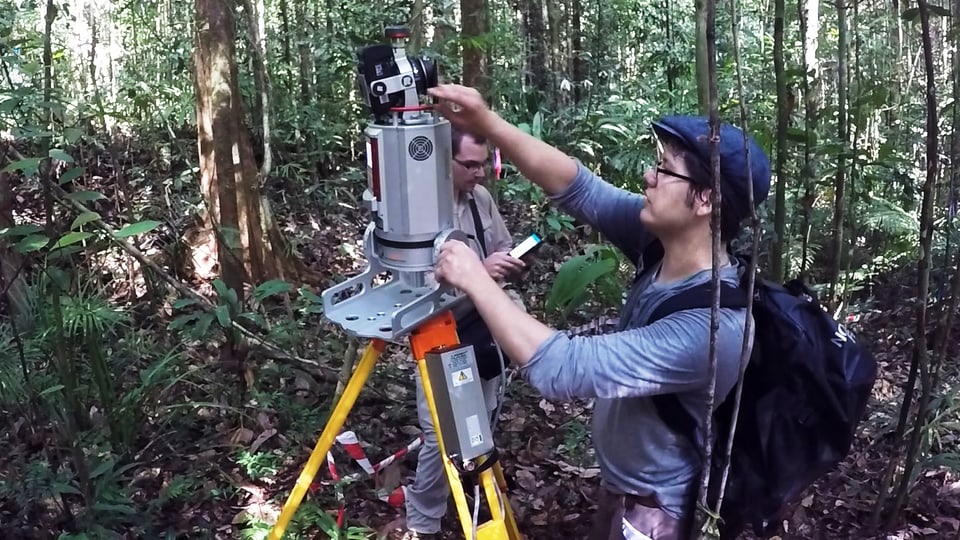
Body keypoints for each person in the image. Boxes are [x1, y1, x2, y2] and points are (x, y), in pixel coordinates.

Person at [428, 84, 771, 540]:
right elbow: (578, 187)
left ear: (705, 200)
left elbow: (562, 368)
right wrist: (485, 121)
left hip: (655, 510)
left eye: (665, 171)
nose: (648, 178)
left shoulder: (714, 328)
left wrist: (475, 277)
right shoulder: (661, 241)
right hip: (622, 486)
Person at [389, 125, 526, 540]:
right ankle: (423, 520)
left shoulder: (480, 199)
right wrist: (475, 275)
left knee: (478, 422)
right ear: (444, 165)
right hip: (438, 332)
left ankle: (477, 496)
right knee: (439, 434)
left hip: (483, 325)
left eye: (483, 164)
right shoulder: (419, 213)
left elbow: (500, 244)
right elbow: (409, 286)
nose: (479, 173)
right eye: (469, 165)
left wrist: (510, 261)